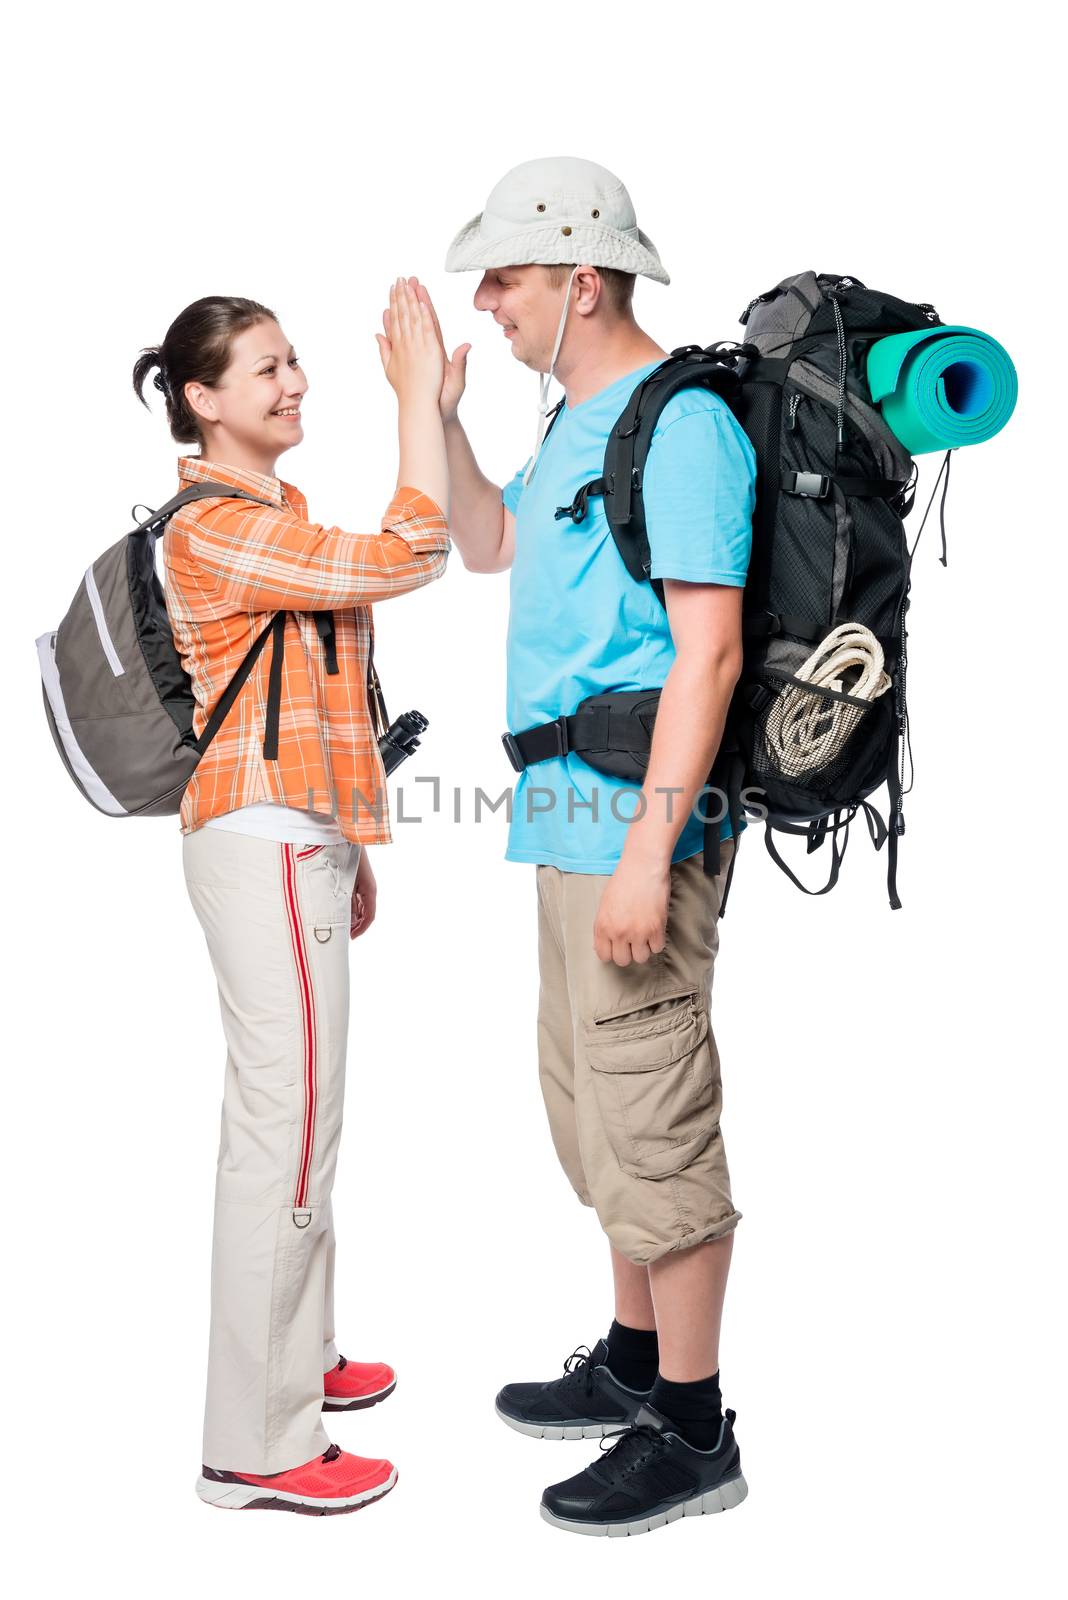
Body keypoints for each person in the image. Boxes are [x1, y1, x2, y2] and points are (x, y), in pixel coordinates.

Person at [410, 156, 756, 1536]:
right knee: (594, 1103)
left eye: (504, 275)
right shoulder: (572, 421)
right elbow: (489, 544)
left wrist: (644, 858)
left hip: (636, 833)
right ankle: (631, 1361)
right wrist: (432, 419)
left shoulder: (681, 428)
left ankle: (695, 1425)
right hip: (566, 824)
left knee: (655, 1118)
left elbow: (711, 651)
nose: (486, 301)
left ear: (583, 278)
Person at [133, 283, 449, 1514]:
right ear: (203, 400)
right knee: (286, 1130)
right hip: (262, 843)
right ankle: (257, 1445)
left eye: (295, 361)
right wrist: (418, 402)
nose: (294, 383)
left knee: (298, 1114)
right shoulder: (212, 527)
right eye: (265, 369)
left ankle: (302, 1355)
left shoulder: (274, 513)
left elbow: (313, 699)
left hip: (289, 833)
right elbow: (407, 556)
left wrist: (353, 840)